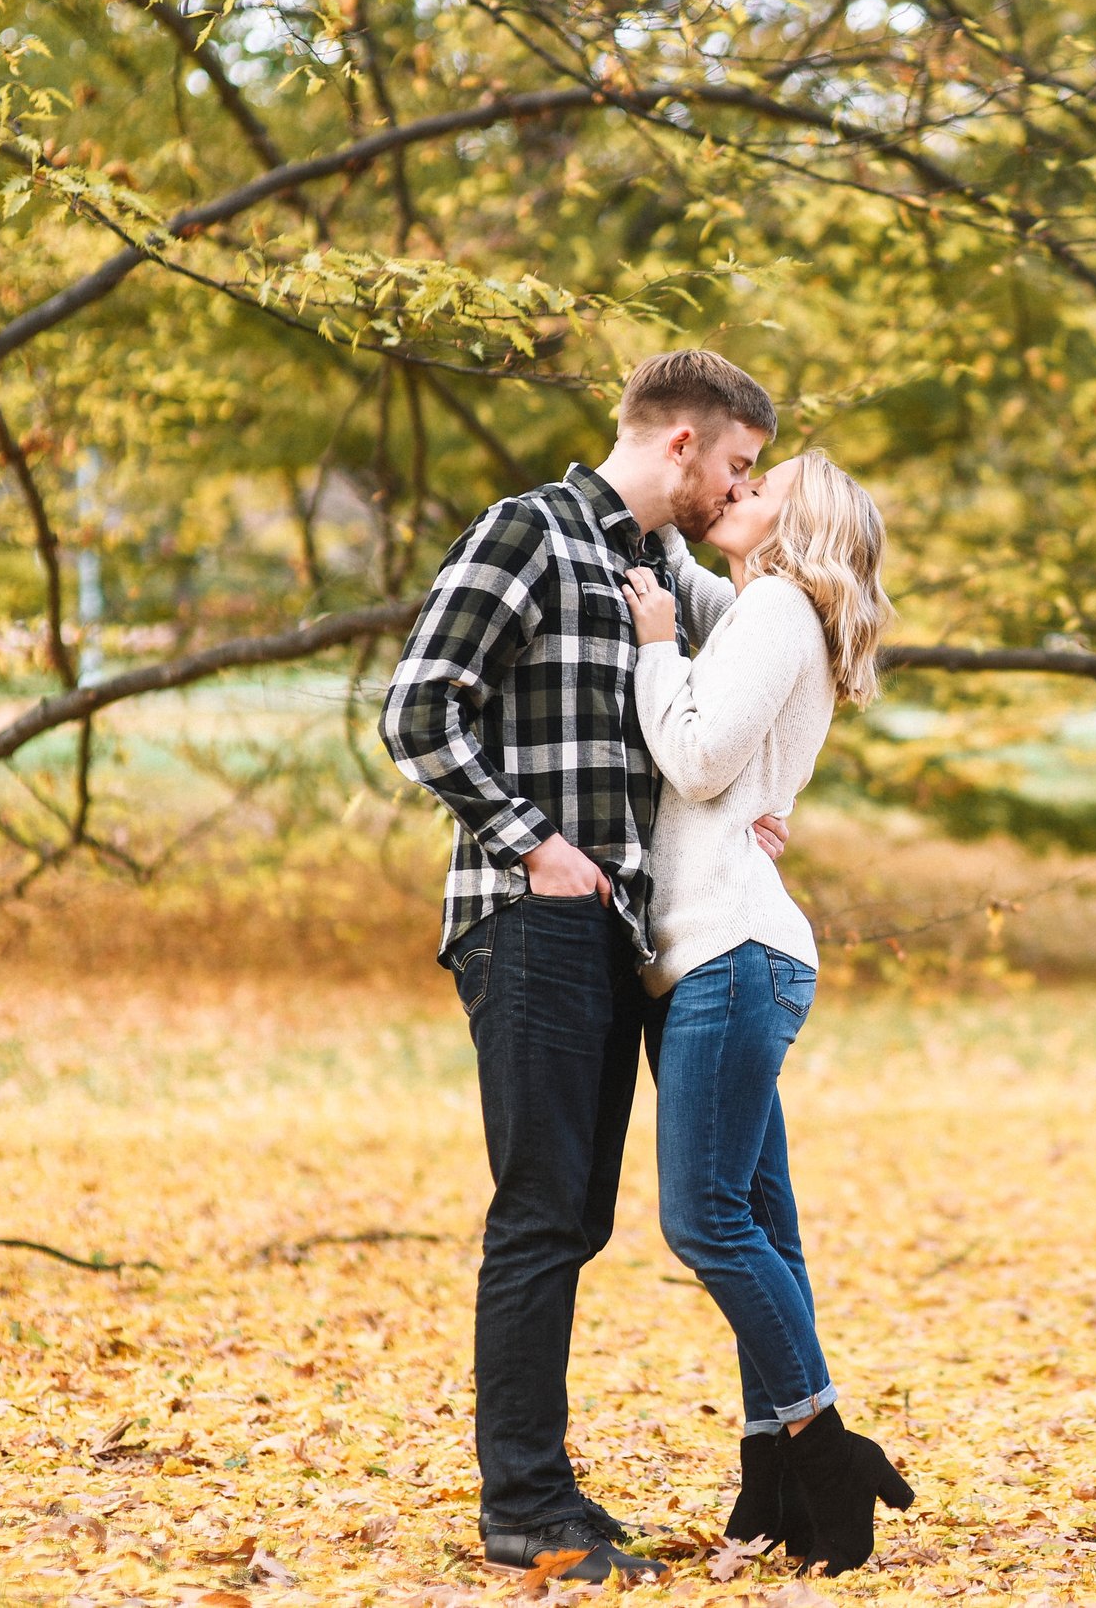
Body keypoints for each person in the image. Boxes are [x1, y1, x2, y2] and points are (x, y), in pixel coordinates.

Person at [379, 350, 789, 1584]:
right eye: (738, 464)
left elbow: (724, 710)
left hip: (622, 928)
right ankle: (525, 1506)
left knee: (579, 1216)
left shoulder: (661, 568)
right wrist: (534, 844)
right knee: (544, 1212)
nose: (739, 487)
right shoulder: (530, 533)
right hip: (530, 914)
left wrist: (759, 802)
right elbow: (415, 707)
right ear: (681, 445)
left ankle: (551, 1491)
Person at [620, 447, 915, 1575]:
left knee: (701, 1219)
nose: (737, 492)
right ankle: (771, 1470)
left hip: (731, 955)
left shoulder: (780, 608)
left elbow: (694, 758)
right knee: (760, 1225)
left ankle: (823, 1443)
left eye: (762, 488)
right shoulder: (764, 608)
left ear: (805, 527)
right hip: (727, 951)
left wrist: (653, 650)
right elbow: (730, 760)